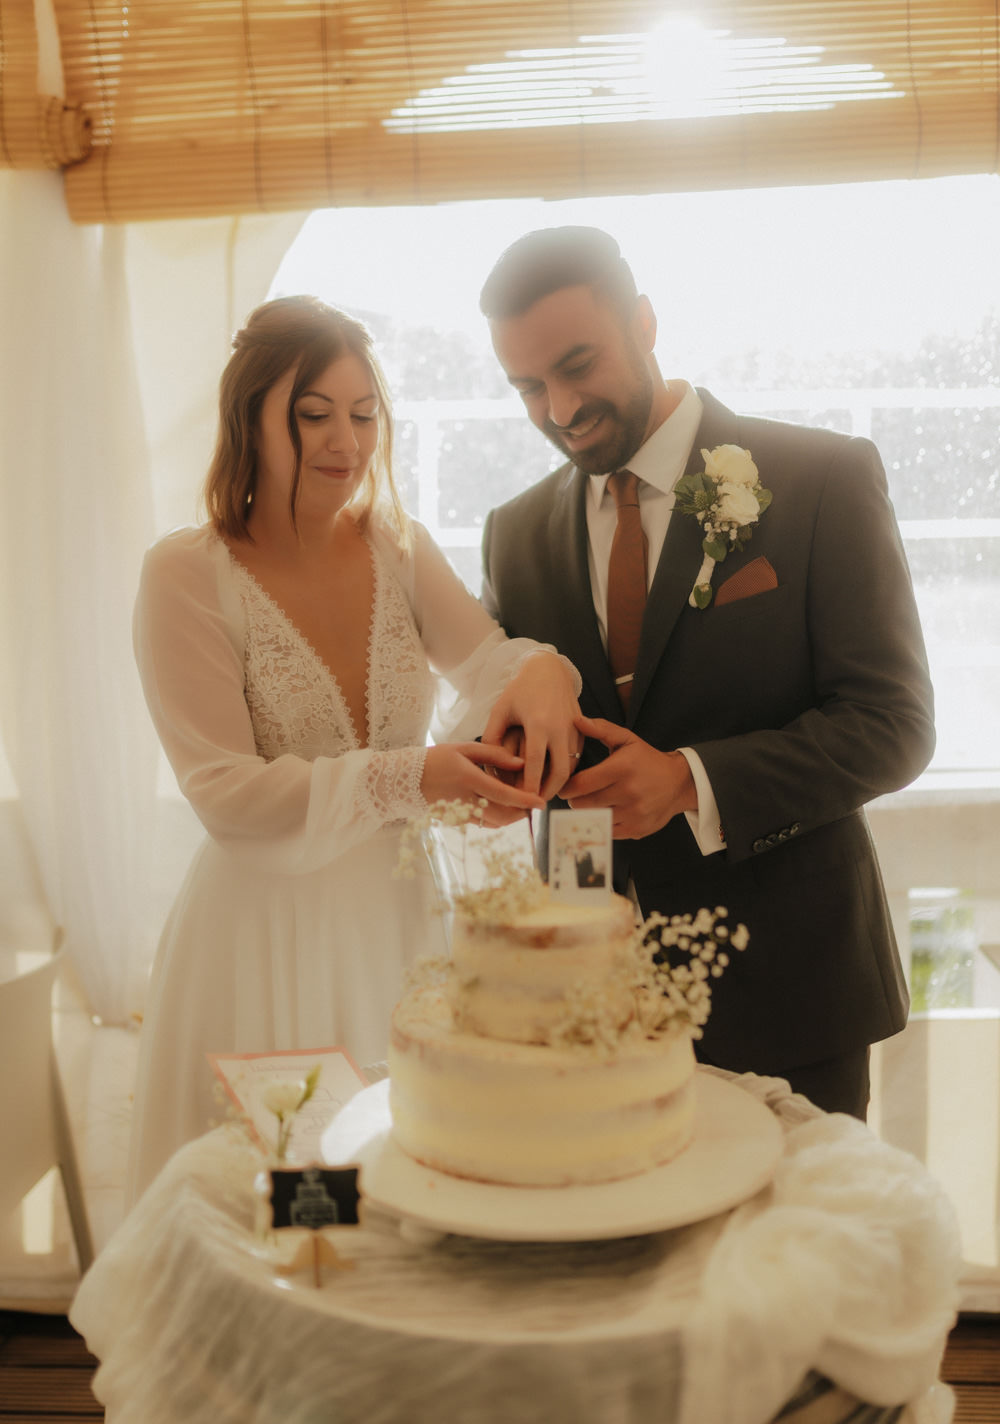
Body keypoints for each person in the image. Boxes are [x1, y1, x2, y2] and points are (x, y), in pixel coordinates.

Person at [127, 294, 582, 1200]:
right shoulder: (184, 574)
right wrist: (415, 777)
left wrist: (543, 675)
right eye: (313, 415)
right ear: (247, 418)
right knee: (299, 1218)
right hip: (266, 934)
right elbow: (222, 791)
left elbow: (487, 659)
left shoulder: (396, 548)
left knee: (407, 1198)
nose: (345, 441)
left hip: (402, 921)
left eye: (364, 415)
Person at [478, 226, 935, 1119]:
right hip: (588, 1001)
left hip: (791, 988)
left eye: (579, 365)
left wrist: (691, 783)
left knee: (798, 1256)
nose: (561, 409)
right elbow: (503, 713)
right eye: (528, 387)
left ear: (645, 323)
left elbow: (894, 723)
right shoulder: (515, 533)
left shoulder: (821, 478)